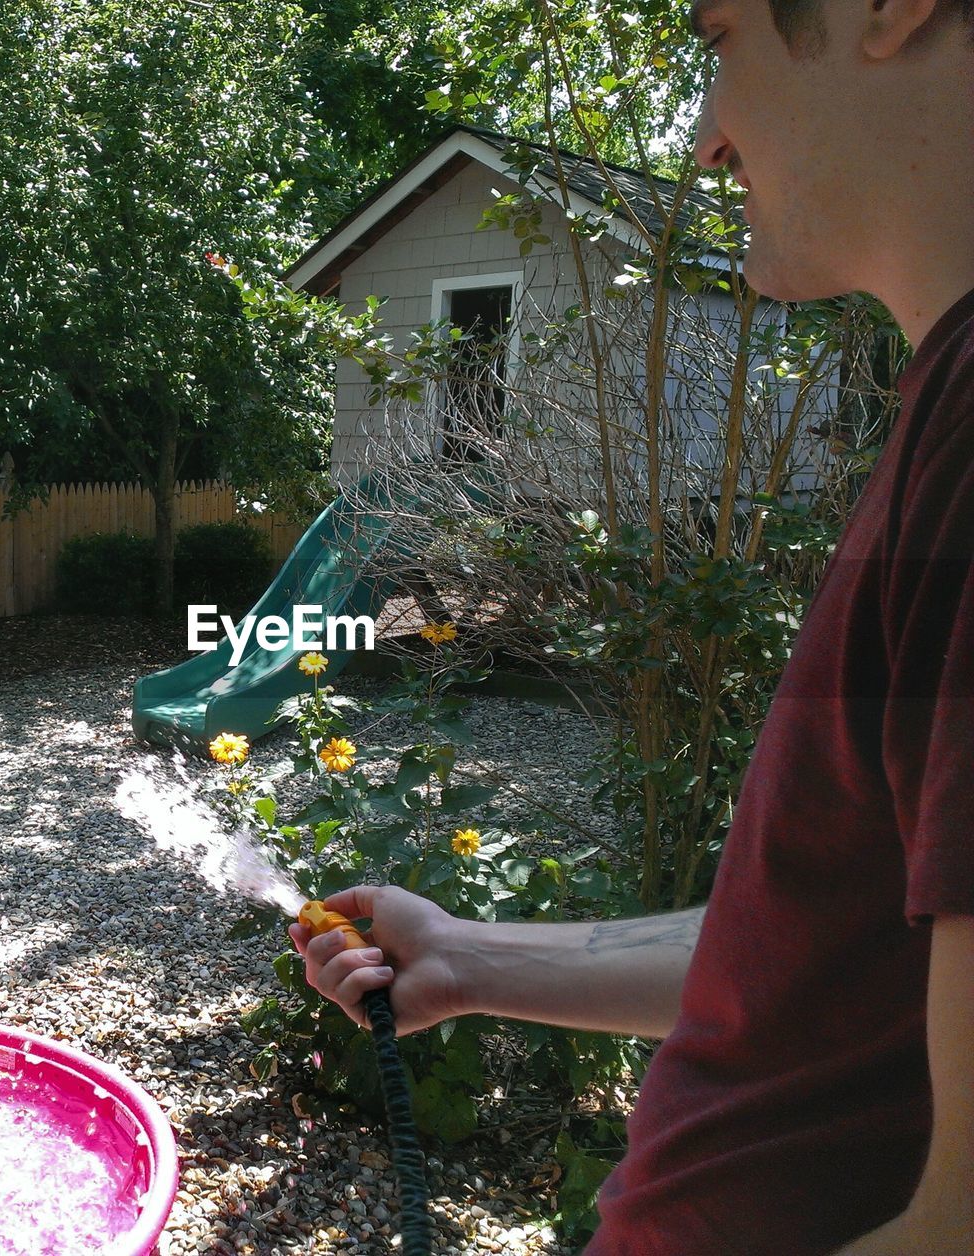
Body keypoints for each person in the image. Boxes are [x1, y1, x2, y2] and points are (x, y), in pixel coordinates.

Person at [291, 0, 974, 1251]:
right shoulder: (939, 412)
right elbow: (823, 950)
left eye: (719, 42)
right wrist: (466, 954)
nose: (705, 139)